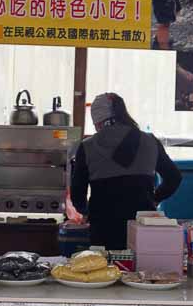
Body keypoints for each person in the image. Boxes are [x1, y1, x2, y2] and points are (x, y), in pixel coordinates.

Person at [71, 93, 182, 249]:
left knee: (105, 271)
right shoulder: (150, 141)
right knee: (142, 271)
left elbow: (77, 194)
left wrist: (87, 211)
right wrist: (154, 199)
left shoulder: (87, 146)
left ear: (98, 121)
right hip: (143, 226)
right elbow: (174, 177)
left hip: (103, 230)